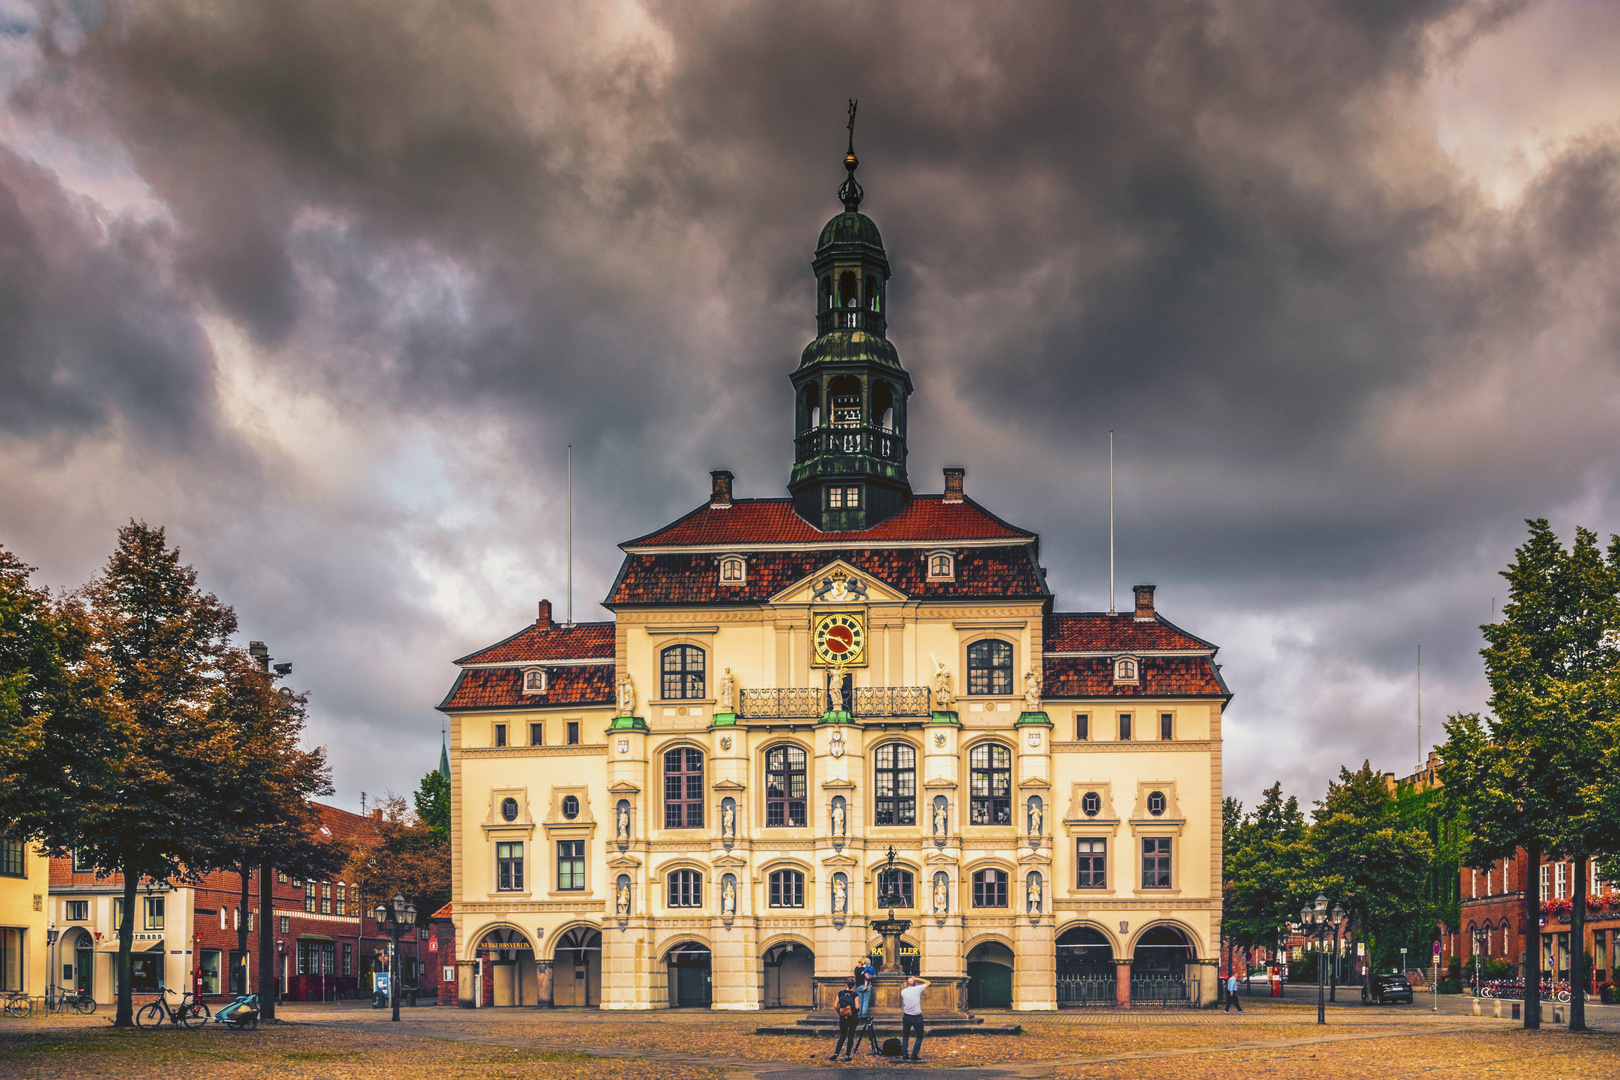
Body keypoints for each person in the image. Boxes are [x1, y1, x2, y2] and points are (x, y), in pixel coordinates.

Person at [830, 977, 862, 1062]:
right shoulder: (855, 995)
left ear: (846, 984)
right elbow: (857, 1007)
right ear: (854, 985)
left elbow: (835, 1006)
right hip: (853, 1018)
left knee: (842, 1036)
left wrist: (840, 1013)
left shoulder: (840, 993)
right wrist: (856, 1012)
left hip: (843, 1018)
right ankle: (847, 1055)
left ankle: (836, 1053)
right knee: (850, 1036)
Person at [899, 975, 929, 1062]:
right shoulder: (917, 989)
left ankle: (905, 1053)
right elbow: (928, 982)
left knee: (905, 1035)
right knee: (919, 1036)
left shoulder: (903, 991)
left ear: (906, 984)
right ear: (915, 983)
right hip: (916, 1016)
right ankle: (914, 1054)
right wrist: (916, 978)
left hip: (906, 1015)